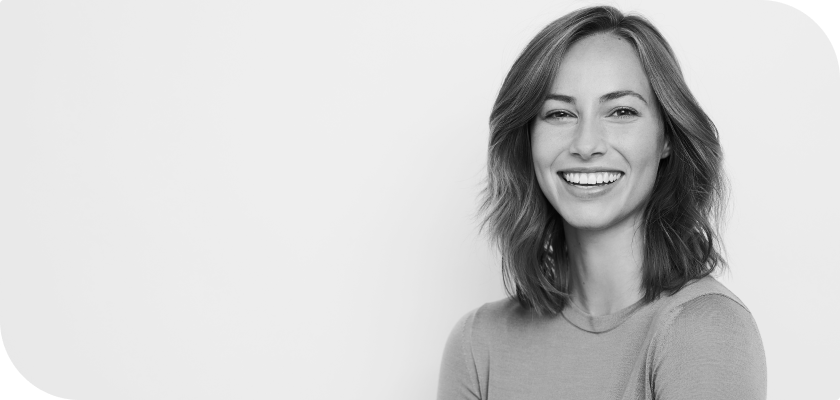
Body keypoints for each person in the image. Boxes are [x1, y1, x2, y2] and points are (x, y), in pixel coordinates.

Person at [436, 6, 766, 400]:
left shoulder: (705, 329)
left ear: (666, 137)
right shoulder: (478, 345)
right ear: (527, 139)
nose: (586, 144)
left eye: (621, 111)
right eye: (559, 113)